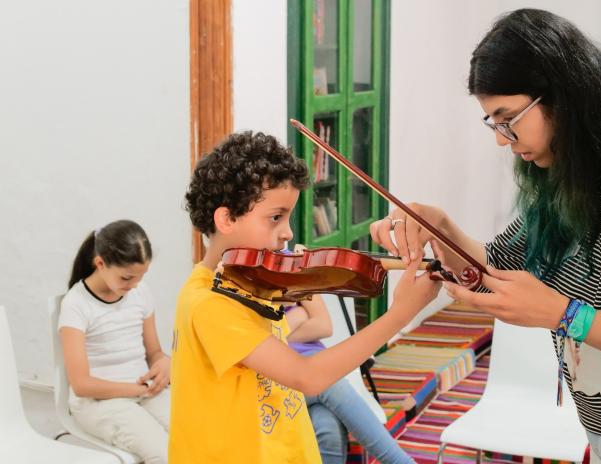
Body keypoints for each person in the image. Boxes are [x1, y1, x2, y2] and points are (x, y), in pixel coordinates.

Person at [370, 8, 601, 464]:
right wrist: (440, 227)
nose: (503, 141)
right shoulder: (565, 175)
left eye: (509, 119)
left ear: (562, 95)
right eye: (494, 123)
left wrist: (565, 315)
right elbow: (493, 270)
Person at [169, 131, 440, 463]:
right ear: (226, 219)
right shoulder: (209, 304)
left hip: (286, 448)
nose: (288, 232)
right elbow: (307, 377)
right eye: (275, 217)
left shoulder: (249, 284)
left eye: (288, 216)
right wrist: (399, 314)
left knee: (328, 424)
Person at [59, 220, 170, 464]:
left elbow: (155, 352)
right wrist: (139, 389)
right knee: (165, 454)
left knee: (196, 434)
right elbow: (81, 385)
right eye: (127, 278)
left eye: (140, 278)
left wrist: (164, 364)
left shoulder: (139, 292)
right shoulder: (76, 305)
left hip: (145, 391)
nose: (134, 286)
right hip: (99, 402)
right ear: (100, 263)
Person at [285, 297, 415, 464]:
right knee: (329, 384)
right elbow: (265, 337)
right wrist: (300, 314)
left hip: (317, 365)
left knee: (327, 425)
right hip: (283, 374)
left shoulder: (301, 274)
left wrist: (286, 330)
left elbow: (324, 326)